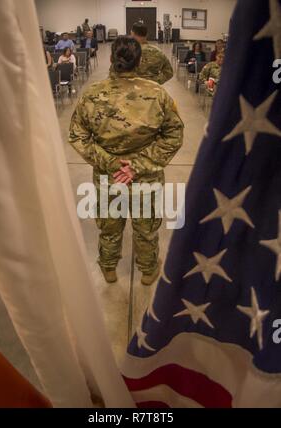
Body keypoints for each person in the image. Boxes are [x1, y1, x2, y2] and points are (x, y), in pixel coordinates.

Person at [69, 36, 184, 286]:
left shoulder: (91, 94)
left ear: (110, 59)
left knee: (109, 226)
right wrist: (137, 165)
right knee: (146, 228)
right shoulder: (157, 94)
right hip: (146, 177)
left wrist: (111, 163)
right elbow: (173, 136)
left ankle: (109, 269)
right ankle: (148, 271)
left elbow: (77, 136)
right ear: (139, 61)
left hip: (107, 177)